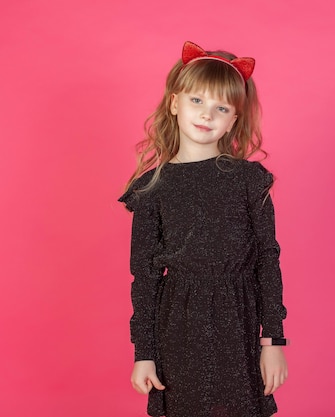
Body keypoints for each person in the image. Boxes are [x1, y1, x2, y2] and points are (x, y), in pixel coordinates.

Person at [118, 41, 288, 417]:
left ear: (234, 120)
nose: (207, 115)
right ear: (176, 102)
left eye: (221, 108)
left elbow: (267, 260)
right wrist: (143, 353)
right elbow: (144, 278)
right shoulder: (152, 189)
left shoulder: (248, 180)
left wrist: (272, 339)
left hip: (239, 322)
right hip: (178, 326)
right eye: (197, 101)